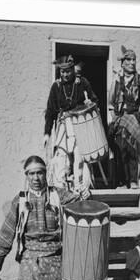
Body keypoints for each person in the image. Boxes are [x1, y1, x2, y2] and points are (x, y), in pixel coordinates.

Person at [44, 55, 99, 191]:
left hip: (80, 124)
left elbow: (95, 101)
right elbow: (50, 111)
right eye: (62, 72)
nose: (65, 74)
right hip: (63, 125)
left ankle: (81, 188)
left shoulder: (82, 83)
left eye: (68, 71)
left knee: (80, 157)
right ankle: (60, 190)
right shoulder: (56, 87)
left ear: (73, 69)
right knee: (61, 157)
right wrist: (46, 133)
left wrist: (90, 103)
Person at [108, 46, 140, 188]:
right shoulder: (116, 80)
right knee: (119, 150)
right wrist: (115, 118)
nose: (132, 63)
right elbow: (111, 102)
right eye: (129, 60)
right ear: (122, 63)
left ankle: (133, 181)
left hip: (135, 119)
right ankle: (122, 182)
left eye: (134, 60)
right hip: (121, 119)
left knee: (132, 150)